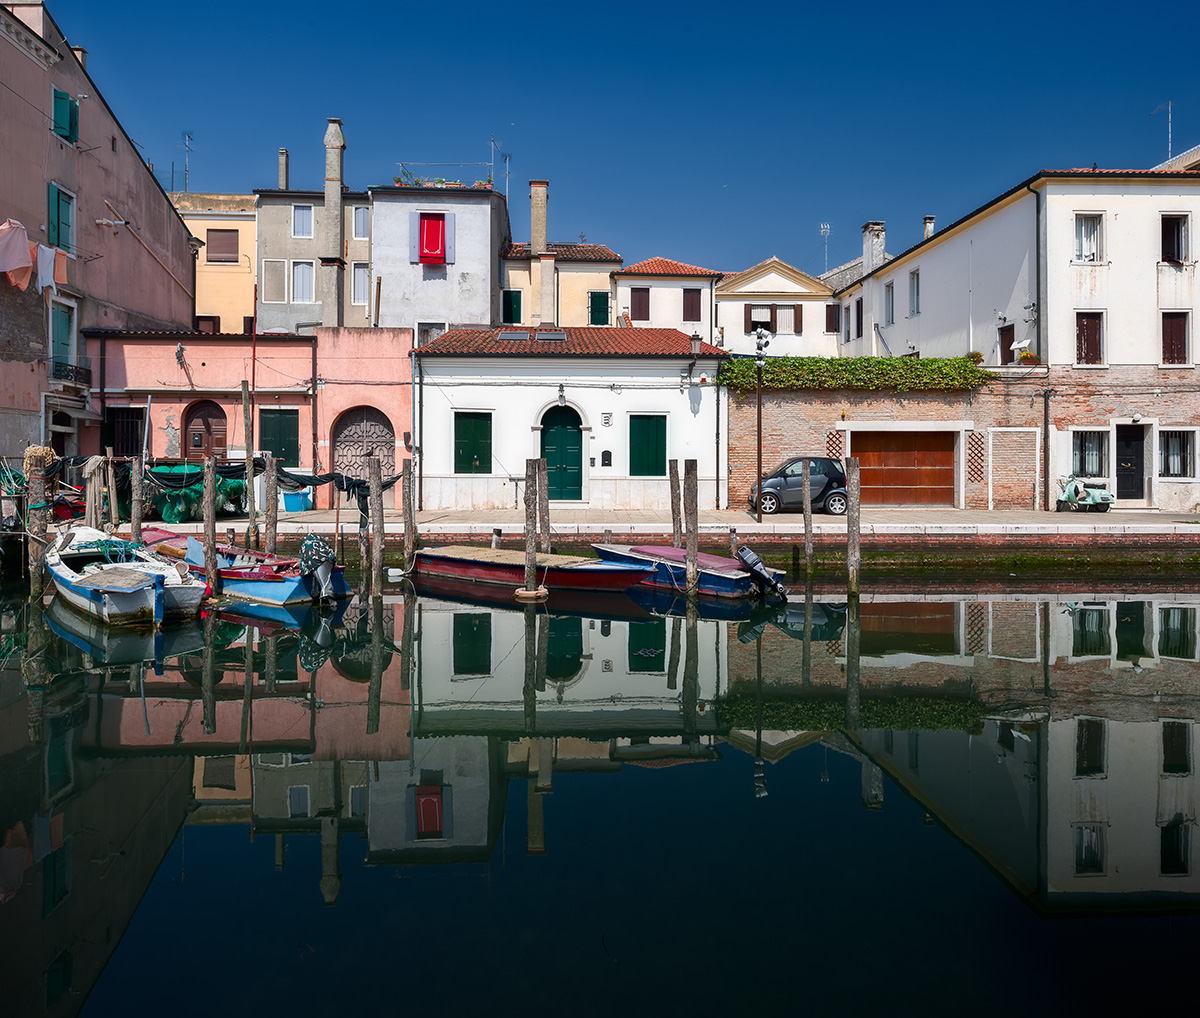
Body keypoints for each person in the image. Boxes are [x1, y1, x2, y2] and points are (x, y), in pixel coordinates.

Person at [299, 532, 338, 607]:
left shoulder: (305, 546)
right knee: (324, 582)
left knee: (322, 580)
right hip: (323, 560)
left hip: (311, 562)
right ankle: (327, 594)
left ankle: (323, 592)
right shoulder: (323, 546)